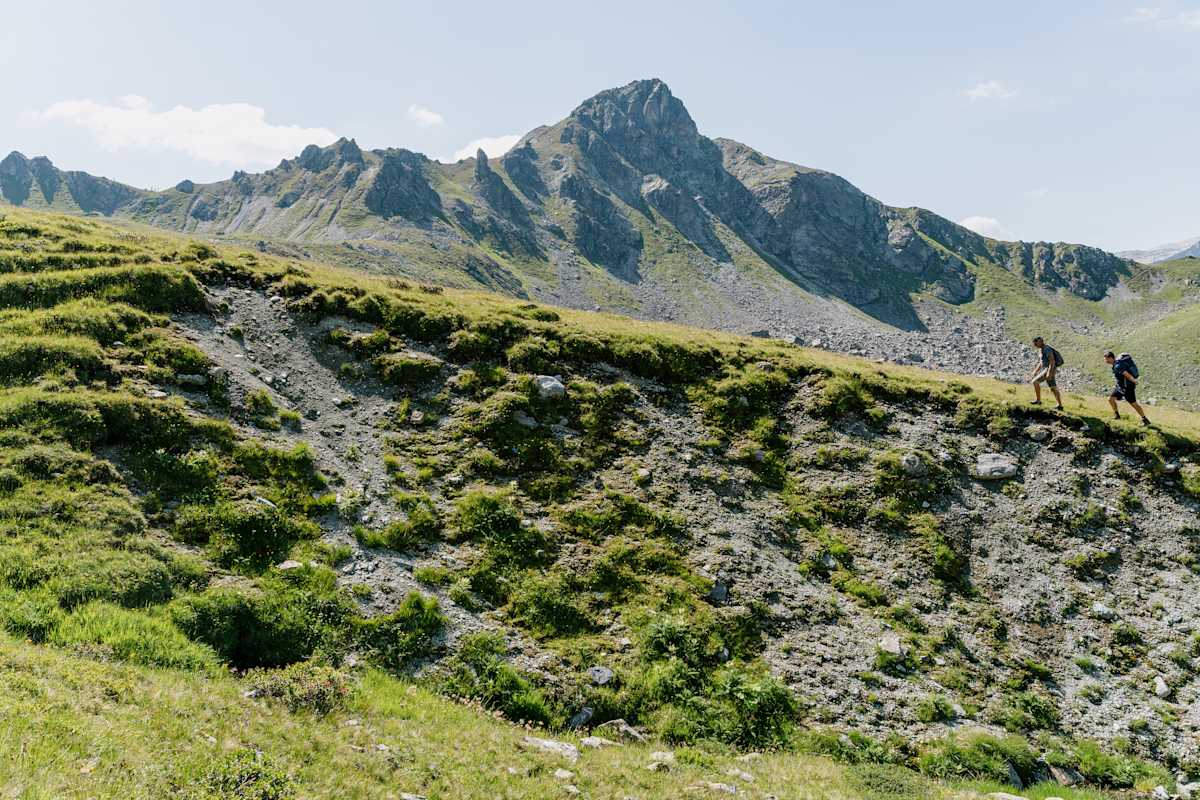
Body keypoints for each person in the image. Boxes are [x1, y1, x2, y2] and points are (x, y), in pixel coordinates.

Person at [1105, 351, 1150, 425]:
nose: (1106, 361)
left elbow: (1127, 375)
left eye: (1106, 359)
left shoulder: (1118, 366)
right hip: (1120, 386)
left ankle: (1145, 419)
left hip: (1127, 387)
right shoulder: (1116, 364)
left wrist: (1134, 381)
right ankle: (1117, 415)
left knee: (1133, 403)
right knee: (1110, 399)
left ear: (1111, 358)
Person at [1028, 336, 1064, 410]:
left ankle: (1038, 401)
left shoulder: (1047, 349)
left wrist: (1049, 372)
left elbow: (1052, 362)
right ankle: (1060, 405)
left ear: (1041, 341)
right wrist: (1035, 371)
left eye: (1036, 343)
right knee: (1053, 387)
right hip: (1047, 369)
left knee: (1035, 381)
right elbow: (1041, 362)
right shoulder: (1041, 350)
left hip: (1049, 369)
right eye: (1034, 343)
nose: (1035, 345)